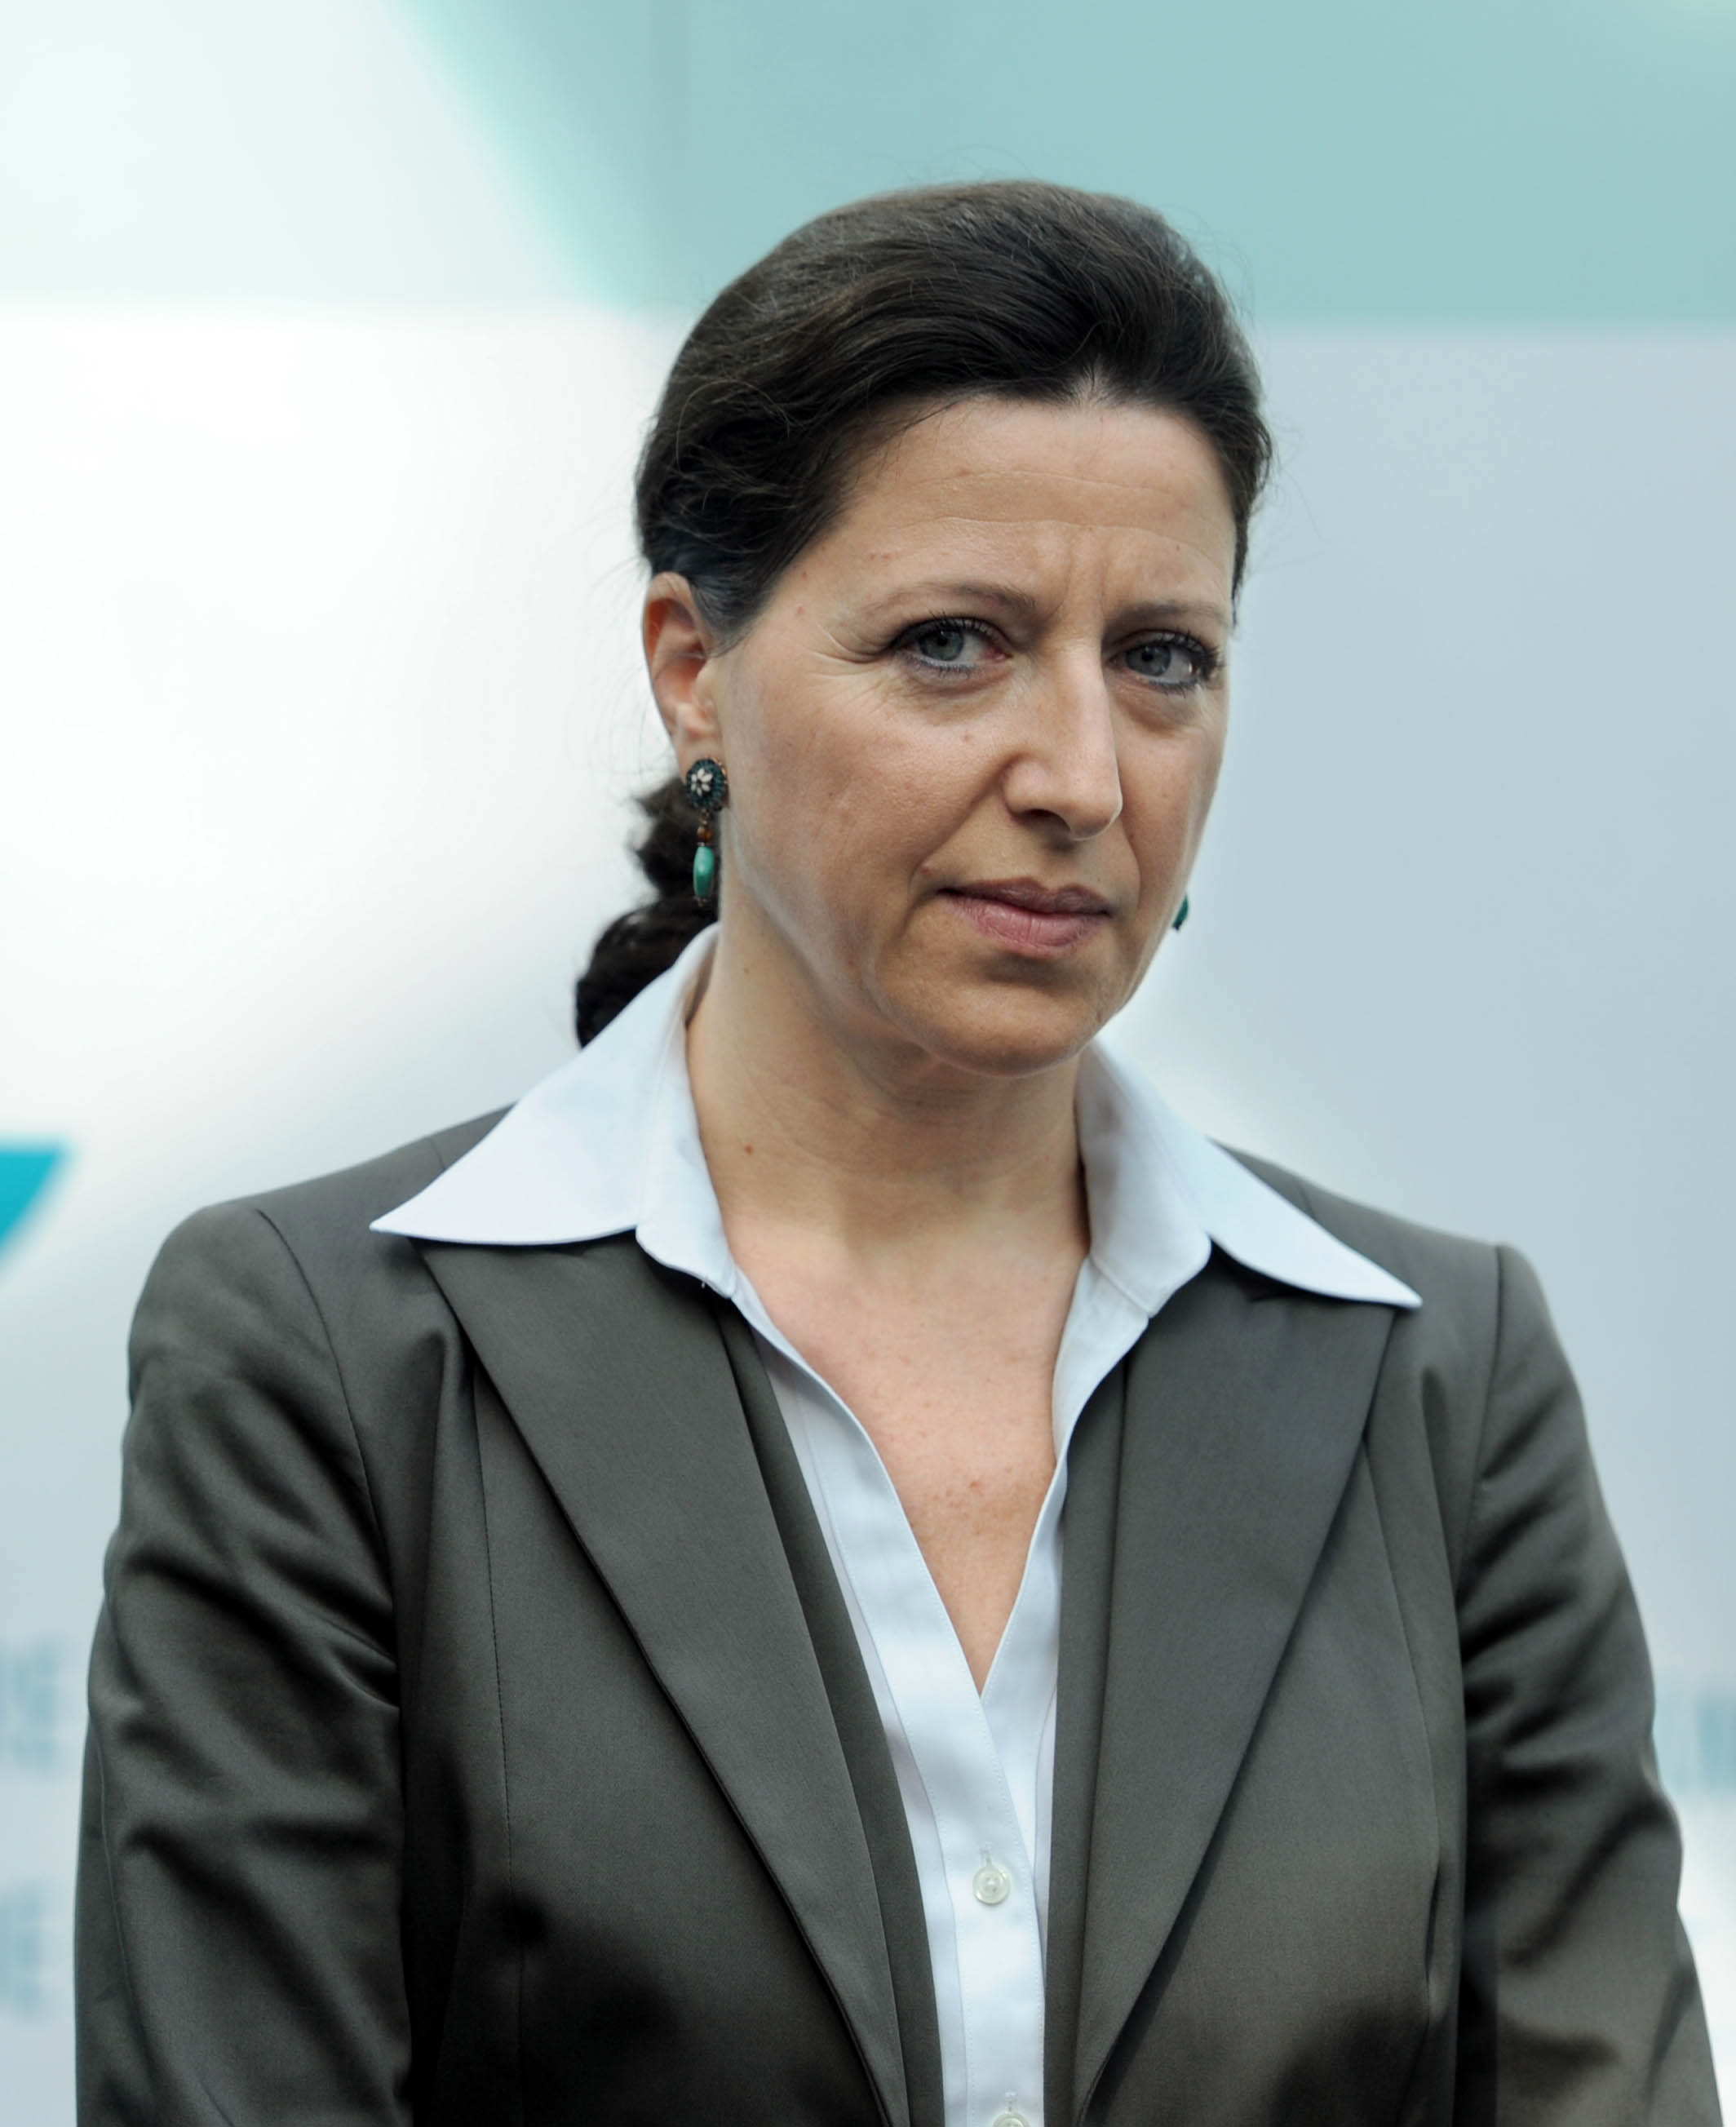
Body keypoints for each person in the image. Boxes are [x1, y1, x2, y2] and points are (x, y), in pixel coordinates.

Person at [76, 181, 1719, 2126]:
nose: (1080, 776)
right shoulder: (330, 1354)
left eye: (1161, 658)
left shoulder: (1435, 1374)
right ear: (693, 667)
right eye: (953, 643)